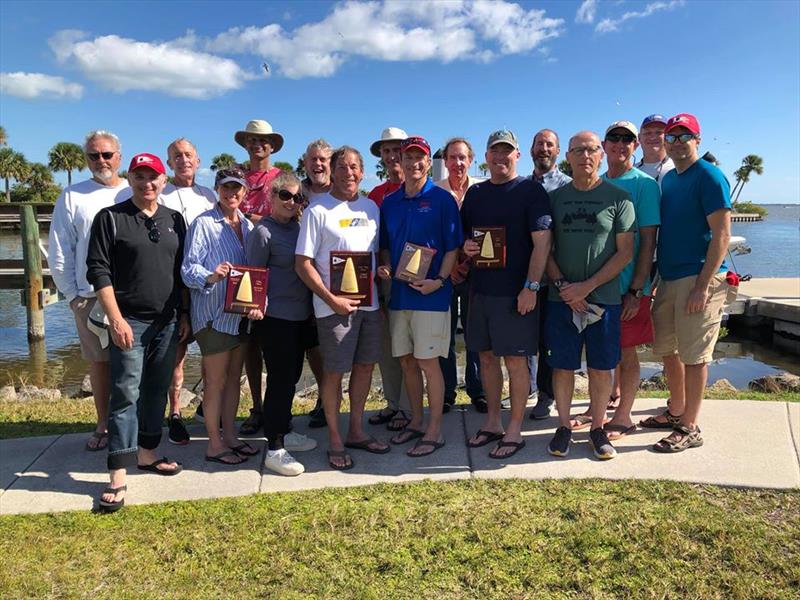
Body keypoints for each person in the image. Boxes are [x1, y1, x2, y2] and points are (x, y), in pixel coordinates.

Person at [86, 153, 189, 513]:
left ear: (164, 181)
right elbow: (98, 270)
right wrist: (116, 319)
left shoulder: (175, 219)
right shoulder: (111, 219)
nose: (148, 183)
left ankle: (147, 452)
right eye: (140, 177)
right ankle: (117, 471)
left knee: (156, 390)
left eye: (154, 177)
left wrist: (185, 314)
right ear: (130, 179)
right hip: (128, 320)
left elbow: (181, 272)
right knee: (125, 392)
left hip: (167, 320)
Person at [295, 146, 389, 470]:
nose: (349, 172)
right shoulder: (317, 211)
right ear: (332, 172)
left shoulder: (372, 208)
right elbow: (302, 263)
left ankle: (356, 430)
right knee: (334, 373)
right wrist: (330, 298)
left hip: (369, 305)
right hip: (332, 308)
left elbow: (376, 254)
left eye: (354, 167)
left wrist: (383, 270)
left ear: (362, 173)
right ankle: (335, 438)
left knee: (365, 368)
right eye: (342, 167)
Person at [461, 130, 552, 459]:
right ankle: (493, 422)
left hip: (516, 294)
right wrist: (467, 247)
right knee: (485, 358)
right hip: (480, 291)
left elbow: (542, 243)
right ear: (486, 157)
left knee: (515, 362)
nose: (500, 157)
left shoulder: (531, 191)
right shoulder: (475, 194)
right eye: (494, 151)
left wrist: (531, 287)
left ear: (518, 155)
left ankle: (514, 429)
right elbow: (465, 239)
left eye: (507, 151)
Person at [644, 113, 733, 453]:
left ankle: (690, 426)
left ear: (697, 139)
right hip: (668, 277)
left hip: (699, 278)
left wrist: (702, 285)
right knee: (667, 348)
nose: (677, 143)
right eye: (672, 136)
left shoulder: (709, 177)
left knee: (695, 355)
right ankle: (676, 409)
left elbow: (722, 235)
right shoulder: (669, 181)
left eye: (685, 136)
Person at [545, 131, 635, 461]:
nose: (585, 155)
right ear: (567, 156)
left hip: (605, 298)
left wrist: (588, 286)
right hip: (562, 299)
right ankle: (565, 426)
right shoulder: (555, 198)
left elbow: (625, 253)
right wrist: (564, 288)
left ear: (601, 155)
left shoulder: (619, 197)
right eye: (578, 150)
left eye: (592, 150)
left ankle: (597, 428)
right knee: (563, 366)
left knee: (600, 367)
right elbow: (545, 248)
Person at [567, 121, 660, 439]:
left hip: (628, 287)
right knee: (601, 353)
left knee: (627, 351)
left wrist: (637, 289)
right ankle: (597, 409)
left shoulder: (645, 185)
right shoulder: (597, 182)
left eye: (627, 139)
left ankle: (623, 416)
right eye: (614, 138)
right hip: (596, 287)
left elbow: (647, 241)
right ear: (604, 146)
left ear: (635, 146)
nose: (620, 144)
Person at [378, 136, 462, 456]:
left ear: (428, 162)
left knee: (428, 363)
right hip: (399, 296)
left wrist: (439, 281)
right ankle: (415, 421)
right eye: (408, 156)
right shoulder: (390, 202)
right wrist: (385, 265)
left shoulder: (442, 200)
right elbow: (385, 244)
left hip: (431, 295)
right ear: (400, 159)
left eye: (420, 157)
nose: (414, 163)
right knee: (407, 363)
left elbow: (453, 247)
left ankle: (435, 430)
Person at [48, 130, 131, 452]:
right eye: (94, 155)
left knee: (133, 362)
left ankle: (133, 423)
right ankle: (102, 423)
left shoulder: (134, 189)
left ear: (119, 157)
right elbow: (59, 250)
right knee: (100, 363)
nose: (101, 161)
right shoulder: (72, 196)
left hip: (132, 294)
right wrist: (72, 295)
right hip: (90, 294)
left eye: (107, 154)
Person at [181, 166, 265, 466]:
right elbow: (188, 269)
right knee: (214, 381)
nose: (232, 193)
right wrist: (212, 275)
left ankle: (230, 436)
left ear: (245, 192)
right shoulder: (203, 224)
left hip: (241, 316)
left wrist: (259, 301)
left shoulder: (249, 226)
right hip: (214, 315)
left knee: (233, 380)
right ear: (217, 189)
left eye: (237, 188)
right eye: (227, 187)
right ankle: (214, 444)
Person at [247, 172, 319, 475]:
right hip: (275, 318)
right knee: (278, 381)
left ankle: (286, 429)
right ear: (272, 197)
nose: (291, 202)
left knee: (291, 378)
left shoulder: (300, 228)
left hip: (302, 315)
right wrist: (253, 307)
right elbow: (252, 274)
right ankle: (274, 447)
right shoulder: (263, 232)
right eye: (285, 195)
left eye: (297, 197)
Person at [159, 138, 216, 445]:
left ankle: (209, 409)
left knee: (212, 353)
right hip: (173, 283)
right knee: (177, 355)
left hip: (207, 286)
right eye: (177, 156)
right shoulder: (161, 194)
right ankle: (175, 412)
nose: (183, 160)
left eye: (188, 155)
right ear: (169, 163)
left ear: (198, 159)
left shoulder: (209, 196)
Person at [234, 119, 285, 436]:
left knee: (279, 344)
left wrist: (255, 217)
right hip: (242, 267)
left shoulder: (281, 179)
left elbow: (291, 213)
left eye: (263, 140)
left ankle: (281, 406)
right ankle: (256, 406)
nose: (258, 145)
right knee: (250, 343)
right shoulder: (234, 178)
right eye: (252, 140)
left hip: (277, 271)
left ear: (272, 146)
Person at [435, 137, 487, 414]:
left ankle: (477, 390)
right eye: (452, 158)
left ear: (471, 160)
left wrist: (466, 262)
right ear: (445, 161)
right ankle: (446, 392)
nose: (457, 163)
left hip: (477, 273)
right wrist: (451, 266)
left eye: (462, 158)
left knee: (474, 333)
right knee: (444, 334)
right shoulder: (436, 192)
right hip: (445, 273)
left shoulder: (481, 190)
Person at [367, 127, 411, 431]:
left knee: (412, 345)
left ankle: (410, 408)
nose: (393, 155)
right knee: (387, 346)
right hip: (384, 278)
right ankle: (394, 404)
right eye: (387, 150)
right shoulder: (375, 196)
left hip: (418, 278)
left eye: (398, 149)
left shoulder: (423, 188)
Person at [528, 129, 572, 421]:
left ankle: (547, 395)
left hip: (556, 278)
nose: (544, 149)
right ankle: (527, 389)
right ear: (530, 150)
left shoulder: (568, 187)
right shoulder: (521, 186)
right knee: (526, 339)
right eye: (539, 144)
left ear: (557, 152)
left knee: (551, 341)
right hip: (526, 277)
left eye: (549, 145)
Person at [299, 139, 334, 428]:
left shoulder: (344, 192)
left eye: (323, 159)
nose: (318, 164)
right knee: (308, 344)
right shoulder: (294, 192)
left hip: (333, 281)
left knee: (327, 344)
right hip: (296, 277)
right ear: (305, 163)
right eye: (313, 159)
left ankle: (327, 399)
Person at [635, 114, 675, 186]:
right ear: (639, 138)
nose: (653, 137)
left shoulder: (678, 169)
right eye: (648, 133)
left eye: (659, 132)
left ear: (668, 137)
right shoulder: (630, 173)